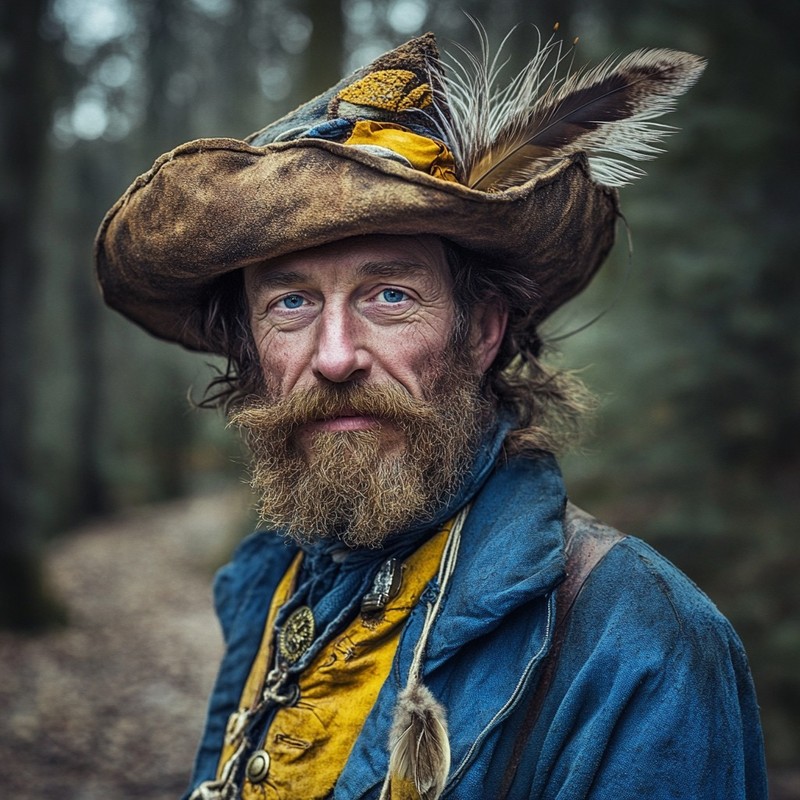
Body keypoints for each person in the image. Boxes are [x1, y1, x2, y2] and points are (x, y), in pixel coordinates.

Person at [95, 29, 767, 800]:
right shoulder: (274, 581)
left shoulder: (640, 638)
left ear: (480, 332)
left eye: (390, 295)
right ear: (252, 348)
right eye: (291, 302)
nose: (336, 355)